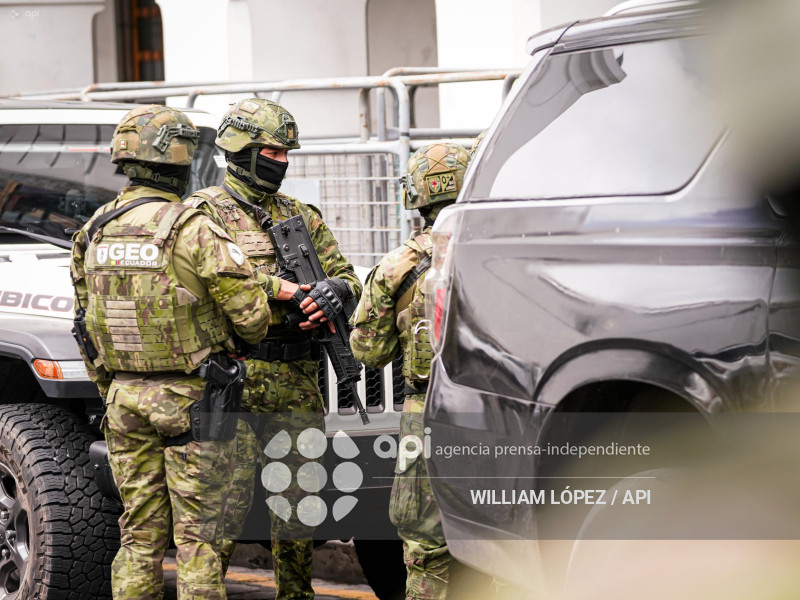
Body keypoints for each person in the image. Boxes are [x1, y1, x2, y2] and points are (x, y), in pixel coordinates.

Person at [70, 104, 272, 600]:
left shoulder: (94, 229)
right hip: (193, 403)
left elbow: (84, 326)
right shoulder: (192, 226)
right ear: (181, 163)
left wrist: (113, 384)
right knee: (199, 541)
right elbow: (253, 318)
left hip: (123, 400)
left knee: (138, 535)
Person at [184, 98, 362, 600]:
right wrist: (277, 289)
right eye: (272, 152)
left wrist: (336, 292)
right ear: (240, 151)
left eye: (286, 154)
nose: (281, 162)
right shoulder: (201, 215)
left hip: (297, 378)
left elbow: (348, 276)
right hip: (233, 378)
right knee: (220, 510)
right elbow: (199, 281)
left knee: (299, 506)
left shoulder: (301, 216)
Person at [350, 143, 470, 600]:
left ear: (415, 196)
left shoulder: (397, 266)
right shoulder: (504, 251)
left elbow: (369, 352)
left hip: (428, 413)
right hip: (498, 411)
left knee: (425, 545)